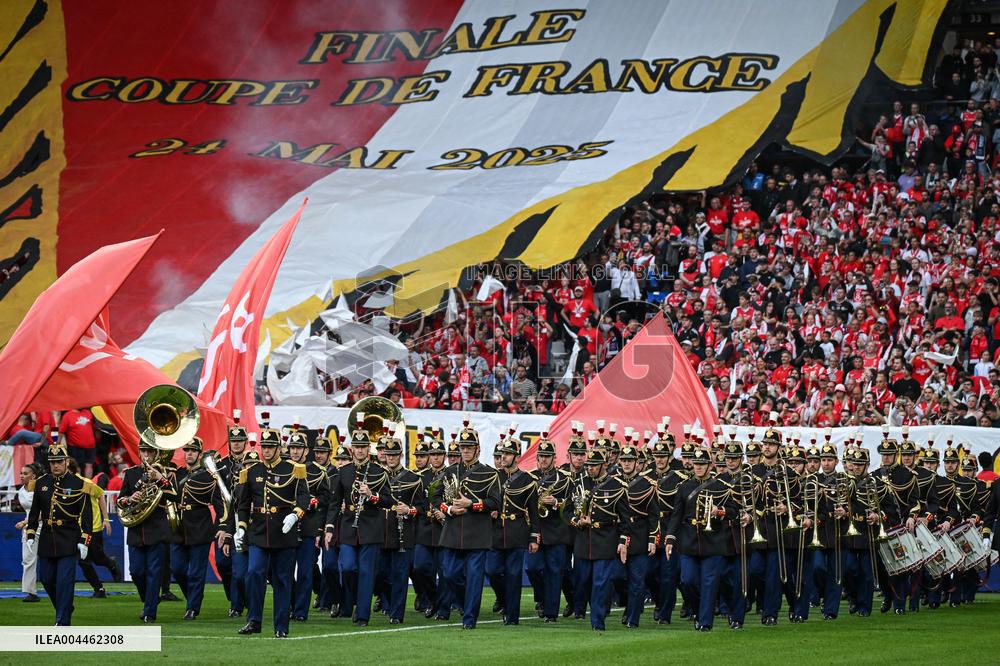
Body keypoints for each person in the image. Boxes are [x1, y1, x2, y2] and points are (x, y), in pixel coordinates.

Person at [235, 428, 309, 638]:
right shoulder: (251, 471)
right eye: (264, 447)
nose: (266, 451)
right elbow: (243, 504)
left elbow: (304, 497)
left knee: (283, 580)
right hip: (258, 532)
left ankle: (281, 626)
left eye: (270, 447)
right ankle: (254, 620)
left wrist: (295, 515)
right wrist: (241, 527)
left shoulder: (293, 469)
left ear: (278, 448)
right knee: (254, 573)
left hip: (284, 533)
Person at [430, 423, 501, 630]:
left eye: (469, 447)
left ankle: (469, 618)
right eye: (463, 447)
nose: (466, 451)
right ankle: (463, 603)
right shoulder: (450, 471)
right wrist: (449, 509)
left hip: (478, 534)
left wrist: (472, 504)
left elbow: (496, 502)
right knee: (450, 574)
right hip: (452, 533)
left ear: (478, 449)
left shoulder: (490, 474)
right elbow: (434, 496)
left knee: (475, 579)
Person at [666, 447, 742, 632]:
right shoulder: (684, 487)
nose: (698, 467)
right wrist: (670, 538)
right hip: (689, 540)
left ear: (710, 465)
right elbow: (676, 515)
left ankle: (705, 622)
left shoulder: (721, 486)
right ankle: (699, 611)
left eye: (702, 464)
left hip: (714, 540)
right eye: (696, 464)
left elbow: (734, 512)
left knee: (709, 583)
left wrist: (720, 511)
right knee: (687, 580)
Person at [325, 423, 394, 627]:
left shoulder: (379, 471)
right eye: (357, 446)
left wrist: (373, 496)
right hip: (347, 527)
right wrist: (329, 528)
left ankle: (362, 614)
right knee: (347, 568)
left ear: (368, 448)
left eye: (364, 446)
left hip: (371, 528)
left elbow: (389, 501)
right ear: (352, 448)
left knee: (366, 572)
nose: (360, 450)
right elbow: (334, 503)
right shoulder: (343, 471)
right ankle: (351, 601)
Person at [25, 443, 98, 626]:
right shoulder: (41, 483)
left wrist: (84, 539)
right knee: (47, 580)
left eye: (59, 461)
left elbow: (86, 514)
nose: (56, 465)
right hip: (48, 539)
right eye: (52, 462)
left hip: (69, 539)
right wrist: (31, 532)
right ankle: (64, 607)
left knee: (65, 582)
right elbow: (34, 512)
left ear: (66, 462)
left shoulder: (79, 484)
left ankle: (63, 621)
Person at [117, 438, 179, 623]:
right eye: (143, 451)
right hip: (137, 529)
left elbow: (174, 496)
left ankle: (149, 612)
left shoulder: (165, 473)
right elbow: (120, 501)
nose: (146, 455)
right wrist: (130, 499)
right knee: (136, 571)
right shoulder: (131, 474)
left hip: (157, 530)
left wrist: (159, 478)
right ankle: (149, 600)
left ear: (155, 453)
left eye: (149, 452)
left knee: (154, 572)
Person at [569, 449, 629, 632]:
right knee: (582, 581)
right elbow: (567, 510)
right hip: (583, 541)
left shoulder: (617, 486)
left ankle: (598, 621)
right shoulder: (579, 483)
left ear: (604, 465)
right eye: (589, 466)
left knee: (600, 583)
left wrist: (622, 541)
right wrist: (577, 520)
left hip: (605, 540)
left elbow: (625, 519)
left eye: (594, 466)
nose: (590, 469)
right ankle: (581, 610)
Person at [171, 437, 229, 620]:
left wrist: (222, 526)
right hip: (179, 529)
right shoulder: (178, 474)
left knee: (196, 572)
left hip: (200, 529)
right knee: (178, 569)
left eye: (193, 451)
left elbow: (221, 507)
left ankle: (193, 608)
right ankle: (193, 597)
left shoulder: (208, 477)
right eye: (187, 450)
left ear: (199, 454)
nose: (189, 453)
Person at [487, 430, 539, 626]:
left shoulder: (527, 481)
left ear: (517, 457)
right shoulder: (493, 477)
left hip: (517, 531)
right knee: (492, 571)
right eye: (501, 455)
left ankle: (512, 615)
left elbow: (533, 512)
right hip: (495, 531)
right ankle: (502, 598)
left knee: (514, 575)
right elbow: (488, 501)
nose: (503, 458)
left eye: (507, 454)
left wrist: (534, 537)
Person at [380, 430, 425, 624]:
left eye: (394, 455)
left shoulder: (414, 478)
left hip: (403, 533)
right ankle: (387, 605)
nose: (390, 458)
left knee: (399, 575)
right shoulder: (377, 476)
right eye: (388, 455)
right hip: (380, 532)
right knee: (380, 573)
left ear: (400, 455)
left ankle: (396, 613)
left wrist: (409, 510)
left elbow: (423, 507)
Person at [525, 435, 572, 623]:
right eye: (541, 456)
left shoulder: (565, 479)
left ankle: (551, 613)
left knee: (555, 572)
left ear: (554, 459)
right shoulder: (529, 478)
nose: (543, 459)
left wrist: (556, 502)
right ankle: (542, 599)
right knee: (532, 568)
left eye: (547, 456)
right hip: (535, 532)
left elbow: (573, 505)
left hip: (557, 532)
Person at [287, 431, 331, 622]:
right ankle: (290, 604)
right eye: (292, 448)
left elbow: (327, 498)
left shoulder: (317, 472)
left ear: (306, 451)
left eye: (299, 448)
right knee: (285, 572)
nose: (295, 452)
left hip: (308, 527)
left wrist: (315, 502)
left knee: (305, 572)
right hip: (286, 529)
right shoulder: (282, 469)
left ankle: (300, 611)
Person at [215, 422, 258, 617]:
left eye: (240, 440)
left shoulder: (260, 474)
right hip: (231, 523)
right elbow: (222, 500)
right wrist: (225, 529)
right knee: (228, 566)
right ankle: (236, 602)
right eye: (233, 441)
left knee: (253, 572)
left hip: (257, 528)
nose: (237, 444)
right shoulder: (222, 465)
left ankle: (242, 605)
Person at [67, 458, 121, 597]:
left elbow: (100, 496)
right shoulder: (62, 485)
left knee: (97, 558)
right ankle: (99, 589)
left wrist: (106, 519)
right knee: (82, 561)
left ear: (70, 470)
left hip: (92, 527)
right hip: (75, 528)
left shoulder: (84, 483)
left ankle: (112, 564)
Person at [618, 444, 659, 628]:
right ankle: (628, 609)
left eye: (630, 461)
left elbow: (654, 515)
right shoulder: (613, 482)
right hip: (618, 537)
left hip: (640, 537)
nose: (627, 464)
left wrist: (653, 539)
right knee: (618, 578)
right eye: (624, 460)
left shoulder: (647, 484)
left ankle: (633, 617)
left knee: (637, 581)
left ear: (637, 463)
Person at [14, 463, 43, 602]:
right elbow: (29, 513)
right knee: (28, 559)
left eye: (25, 473)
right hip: (29, 528)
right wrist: (27, 523)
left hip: (45, 526)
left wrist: (24, 522)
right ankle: (31, 592)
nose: (22, 476)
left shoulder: (41, 490)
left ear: (34, 476)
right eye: (21, 473)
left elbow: (43, 513)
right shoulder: (20, 492)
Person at [58, 407, 97, 478]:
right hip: (75, 447)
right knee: (76, 466)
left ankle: (88, 485)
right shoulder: (67, 416)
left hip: (90, 446)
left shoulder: (88, 413)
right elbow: (61, 432)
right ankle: (77, 484)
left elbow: (93, 427)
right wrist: (57, 444)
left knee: (89, 465)